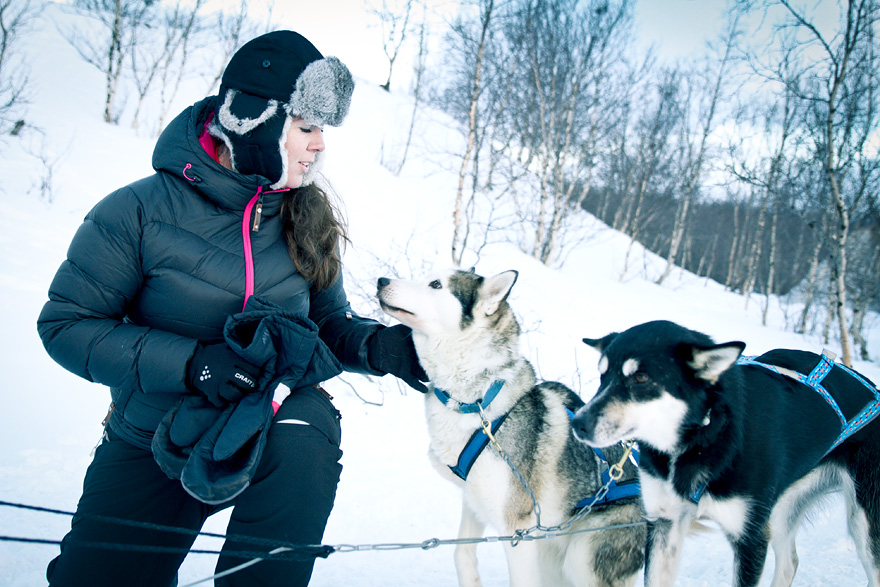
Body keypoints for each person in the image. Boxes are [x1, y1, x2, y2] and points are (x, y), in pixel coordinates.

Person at [37, 30, 427, 587]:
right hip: (154, 432)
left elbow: (327, 324)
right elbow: (66, 326)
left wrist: (378, 346)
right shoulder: (139, 210)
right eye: (307, 127)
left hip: (267, 427)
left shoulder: (305, 216)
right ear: (257, 121)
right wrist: (191, 362)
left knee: (308, 421)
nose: (320, 145)